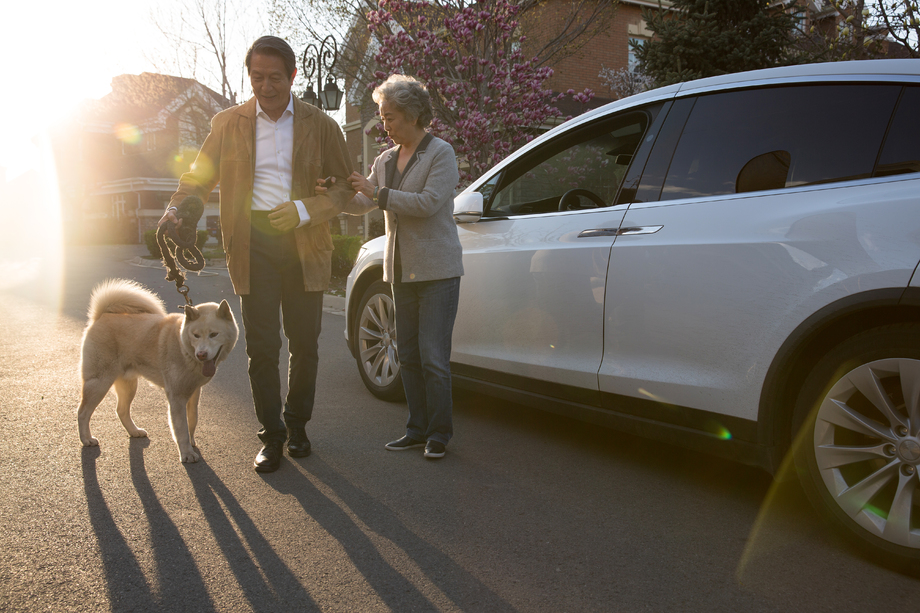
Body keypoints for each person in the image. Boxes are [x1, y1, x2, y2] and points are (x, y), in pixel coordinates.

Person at [159, 36, 354, 473]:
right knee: (262, 346)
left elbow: (344, 185)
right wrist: (178, 208)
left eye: (274, 77)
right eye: (257, 77)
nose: (265, 86)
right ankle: (272, 436)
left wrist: (305, 210)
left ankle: (298, 424)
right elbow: (198, 176)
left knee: (304, 344)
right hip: (253, 243)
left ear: (293, 76)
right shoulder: (228, 123)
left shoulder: (321, 124)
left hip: (304, 240)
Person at [321, 74, 462, 459]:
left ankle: (439, 434)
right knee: (409, 356)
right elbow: (363, 203)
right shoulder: (384, 159)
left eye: (391, 117)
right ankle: (416, 429)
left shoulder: (440, 153)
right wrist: (336, 194)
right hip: (400, 272)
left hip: (437, 271)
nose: (385, 124)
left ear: (413, 114)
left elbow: (427, 204)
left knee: (433, 357)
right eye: (382, 117)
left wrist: (376, 192)